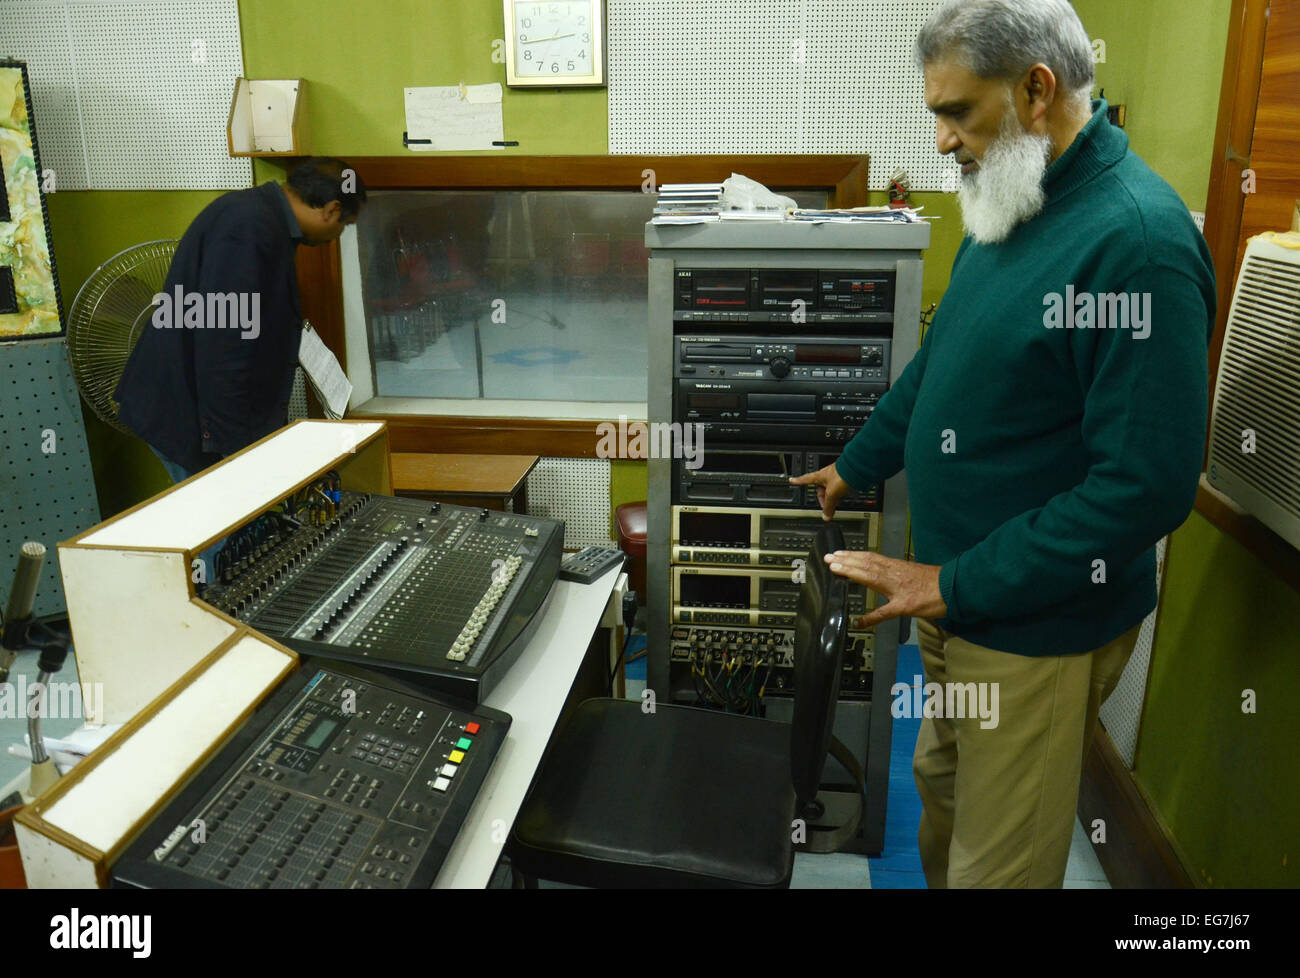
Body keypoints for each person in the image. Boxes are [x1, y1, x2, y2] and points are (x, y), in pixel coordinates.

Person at [792, 0, 1214, 888]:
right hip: (958, 604)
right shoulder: (1011, 200)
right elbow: (945, 361)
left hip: (1036, 628)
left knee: (1000, 865)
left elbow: (1145, 488)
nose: (942, 142)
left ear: (1036, 89)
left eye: (957, 112)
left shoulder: (1136, 242)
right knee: (945, 804)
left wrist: (952, 580)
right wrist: (859, 464)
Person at [116, 157, 366, 485]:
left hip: (205, 413)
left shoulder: (263, 219)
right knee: (224, 529)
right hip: (188, 416)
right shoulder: (246, 229)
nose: (336, 235)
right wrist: (238, 454)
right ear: (332, 210)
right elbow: (223, 347)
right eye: (343, 226)